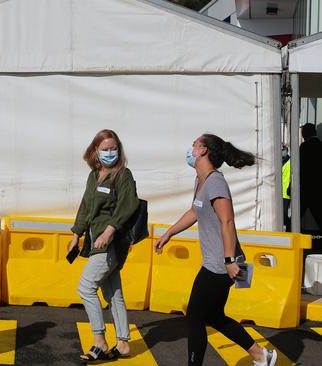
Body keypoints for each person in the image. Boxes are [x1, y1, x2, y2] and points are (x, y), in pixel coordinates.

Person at [153, 134, 277, 366]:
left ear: (203, 151)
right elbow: (194, 211)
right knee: (214, 316)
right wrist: (169, 233)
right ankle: (261, 355)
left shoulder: (216, 182)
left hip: (223, 263)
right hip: (220, 261)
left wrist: (230, 260)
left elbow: (227, 221)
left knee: (195, 317)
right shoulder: (201, 181)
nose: (190, 147)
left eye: (194, 144)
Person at [68, 129, 139, 363]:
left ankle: (99, 340)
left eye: (113, 148)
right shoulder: (95, 175)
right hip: (94, 239)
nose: (110, 152)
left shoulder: (122, 175)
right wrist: (76, 234)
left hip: (111, 243)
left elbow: (129, 205)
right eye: (105, 149)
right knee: (112, 292)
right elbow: (86, 206)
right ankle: (123, 342)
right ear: (95, 151)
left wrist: (110, 230)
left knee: (86, 288)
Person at [299, 123, 322, 233]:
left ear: (306, 133)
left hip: (306, 188)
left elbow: (300, 168)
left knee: (295, 217)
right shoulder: (320, 145)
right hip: (318, 189)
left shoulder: (304, 147)